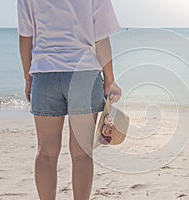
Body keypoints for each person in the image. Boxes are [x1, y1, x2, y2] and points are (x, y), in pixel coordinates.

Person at [17, 0, 121, 199]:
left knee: (46, 151)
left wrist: (28, 77)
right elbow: (101, 38)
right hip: (84, 74)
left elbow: (25, 37)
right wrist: (110, 80)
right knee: (82, 152)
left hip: (45, 73)